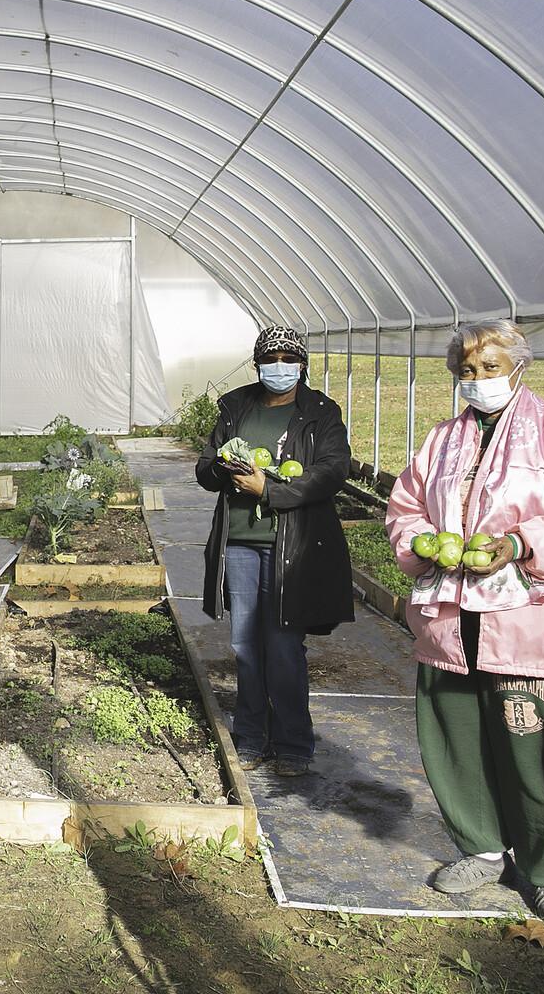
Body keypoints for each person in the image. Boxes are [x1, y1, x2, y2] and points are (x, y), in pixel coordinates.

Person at [387, 320, 544, 923]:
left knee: (537, 748)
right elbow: (406, 505)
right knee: (456, 738)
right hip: (452, 616)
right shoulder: (442, 441)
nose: (478, 382)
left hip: (531, 622)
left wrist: (522, 544)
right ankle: (482, 847)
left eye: (490, 369)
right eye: (466, 372)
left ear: (518, 366)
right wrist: (421, 540)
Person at [195, 325, 353, 779]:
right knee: (246, 644)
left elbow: (331, 471)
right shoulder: (236, 406)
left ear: (302, 364)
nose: (279, 368)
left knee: (284, 646)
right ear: (256, 362)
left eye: (288, 360)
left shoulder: (320, 411)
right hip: (241, 540)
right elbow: (205, 469)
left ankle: (293, 744)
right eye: (271, 359)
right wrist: (224, 468)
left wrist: (271, 490)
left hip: (293, 545)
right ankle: (249, 736)